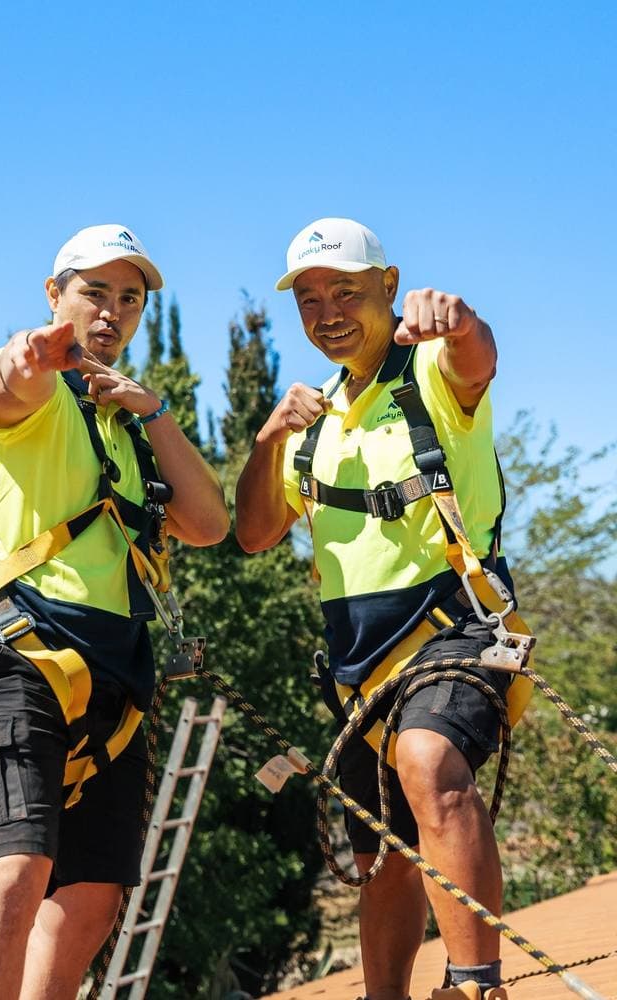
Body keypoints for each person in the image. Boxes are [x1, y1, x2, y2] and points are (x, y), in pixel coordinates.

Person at [0, 224, 229, 1000]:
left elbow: (209, 524)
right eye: (94, 292)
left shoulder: (128, 425)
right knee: (10, 874)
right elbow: (7, 386)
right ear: (54, 294)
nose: (112, 310)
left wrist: (155, 413)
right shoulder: (32, 393)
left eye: (129, 298)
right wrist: (30, 358)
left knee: (92, 901)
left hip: (114, 676)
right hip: (13, 651)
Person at [235, 217, 518, 1000]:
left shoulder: (430, 367)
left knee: (427, 760)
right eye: (310, 299)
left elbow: (477, 361)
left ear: (388, 286)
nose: (327, 312)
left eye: (346, 292)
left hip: (453, 628)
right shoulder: (312, 421)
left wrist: (459, 321)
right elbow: (253, 533)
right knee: (384, 852)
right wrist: (267, 440)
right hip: (358, 670)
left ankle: (475, 985)